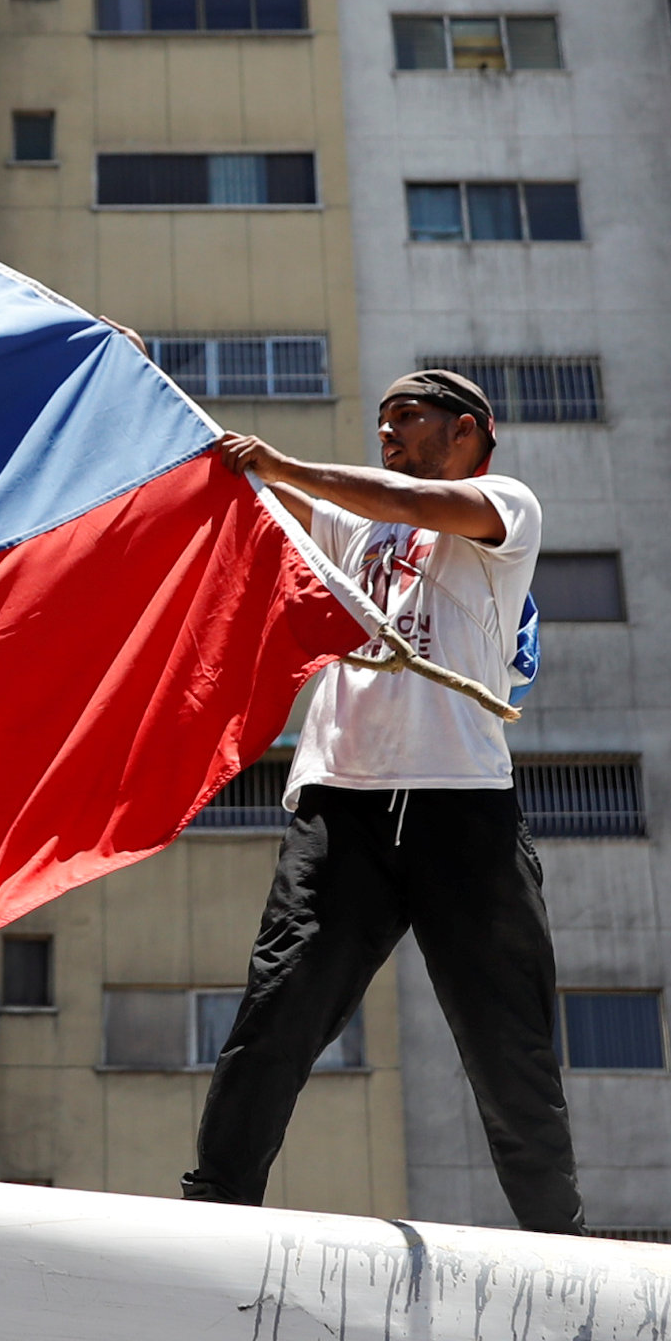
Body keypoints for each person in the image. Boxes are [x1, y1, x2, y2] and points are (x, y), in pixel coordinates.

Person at [183, 368, 585, 1237]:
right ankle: (213, 1208)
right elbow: (232, 474)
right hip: (342, 805)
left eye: (408, 417)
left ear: (468, 432)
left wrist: (290, 463)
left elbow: (403, 498)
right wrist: (139, 378)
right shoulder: (349, 524)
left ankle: (559, 1238)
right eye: (381, 421)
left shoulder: (504, 507)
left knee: (506, 1041)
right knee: (277, 1007)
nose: (389, 433)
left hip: (462, 807)